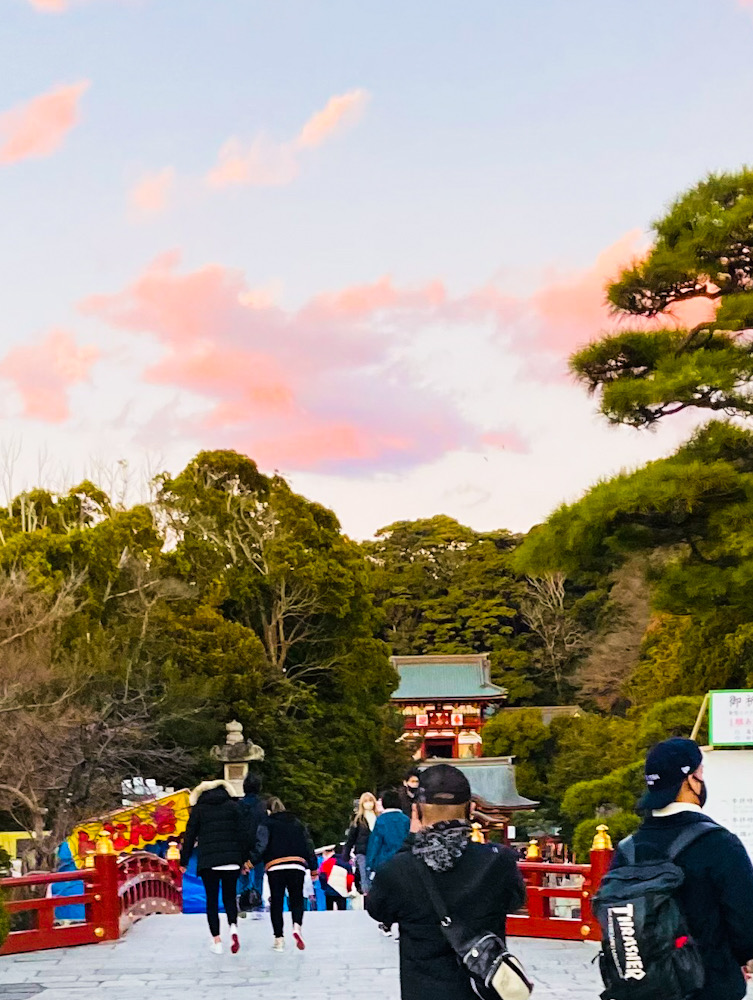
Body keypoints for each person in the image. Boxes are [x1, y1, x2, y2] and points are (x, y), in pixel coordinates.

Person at [607, 737, 753, 1000]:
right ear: (690, 780)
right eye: (701, 772)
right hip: (708, 986)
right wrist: (743, 959)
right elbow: (745, 918)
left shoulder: (628, 848)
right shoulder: (719, 844)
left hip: (643, 989)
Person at [366, 764, 525, 1000]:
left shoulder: (396, 870)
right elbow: (515, 901)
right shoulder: (499, 862)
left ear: (416, 811)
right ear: (471, 810)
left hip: (423, 991)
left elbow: (378, 910)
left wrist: (410, 841)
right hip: (481, 989)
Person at [180, 778, 246, 956]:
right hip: (232, 860)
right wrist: (244, 859)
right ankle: (233, 927)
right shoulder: (234, 807)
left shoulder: (199, 810)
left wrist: (183, 861)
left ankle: (216, 940)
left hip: (209, 861)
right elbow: (243, 834)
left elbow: (189, 836)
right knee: (230, 897)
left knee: (211, 901)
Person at [253, 796, 317, 953]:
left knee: (276, 902)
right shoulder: (297, 823)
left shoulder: (267, 823)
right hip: (297, 864)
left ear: (268, 810)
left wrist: (250, 862)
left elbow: (262, 845)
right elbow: (308, 844)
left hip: (275, 866)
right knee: (296, 899)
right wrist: (314, 867)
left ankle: (279, 939)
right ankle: (296, 927)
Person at [237, 771, 267, 918]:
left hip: (240, 848)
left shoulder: (238, 806)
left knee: (241, 877)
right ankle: (256, 902)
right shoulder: (262, 807)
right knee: (258, 878)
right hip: (258, 850)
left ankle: (241, 902)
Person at [342, 791, 377, 893]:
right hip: (362, 852)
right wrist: (346, 854)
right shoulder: (358, 819)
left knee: (375, 876)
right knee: (364, 876)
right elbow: (351, 838)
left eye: (370, 800)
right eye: (366, 801)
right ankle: (367, 897)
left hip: (376, 851)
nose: (369, 803)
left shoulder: (379, 818)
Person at [319, 844, 355, 910]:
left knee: (329, 912)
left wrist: (324, 887)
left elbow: (322, 876)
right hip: (342, 891)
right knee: (342, 913)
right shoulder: (347, 864)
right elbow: (350, 878)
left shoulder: (327, 862)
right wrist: (348, 889)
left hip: (329, 890)